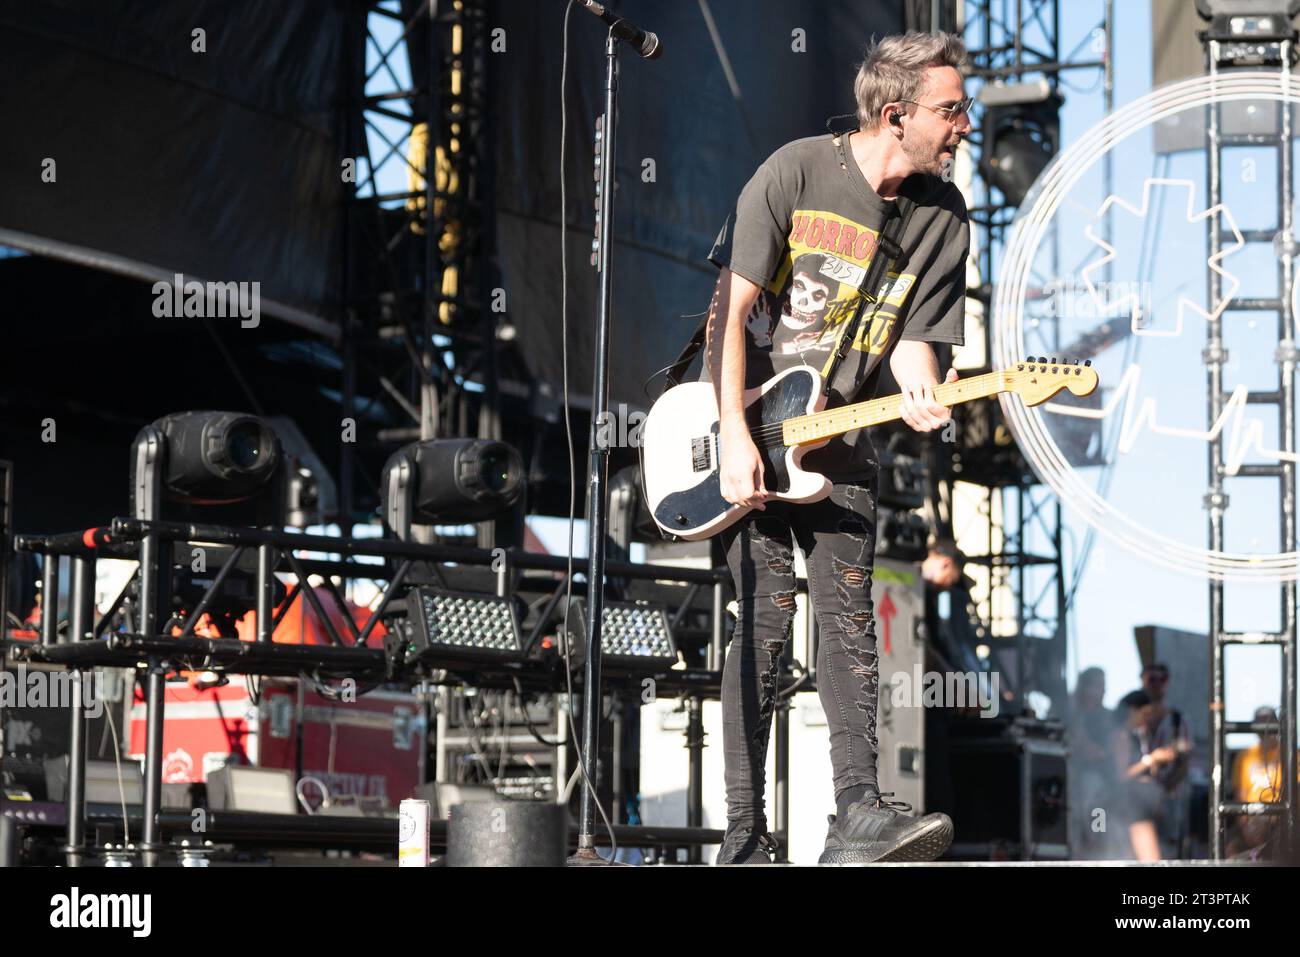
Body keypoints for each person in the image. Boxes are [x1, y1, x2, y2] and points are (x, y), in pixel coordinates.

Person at [703, 31, 972, 864]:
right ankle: (744, 839)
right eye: (952, 110)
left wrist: (923, 384)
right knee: (766, 626)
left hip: (843, 444)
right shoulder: (794, 172)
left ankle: (856, 813)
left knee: (853, 625)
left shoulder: (946, 217)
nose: (967, 124)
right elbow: (730, 312)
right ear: (896, 116)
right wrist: (735, 434)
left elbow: (913, 338)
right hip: (756, 432)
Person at [1112, 689, 1180, 861]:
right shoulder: (1120, 736)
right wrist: (1151, 760)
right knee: (1150, 859)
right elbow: (1120, 776)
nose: (1147, 718)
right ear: (1131, 711)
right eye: (1145, 713)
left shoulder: (1136, 736)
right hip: (1132, 807)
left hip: (1142, 806)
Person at [1066, 667, 1115, 859]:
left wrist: (1089, 748)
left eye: (1104, 685)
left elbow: (1108, 751)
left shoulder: (1107, 718)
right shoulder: (1070, 713)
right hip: (1072, 781)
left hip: (1099, 784)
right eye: (1098, 685)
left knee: (1097, 823)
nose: (1102, 690)